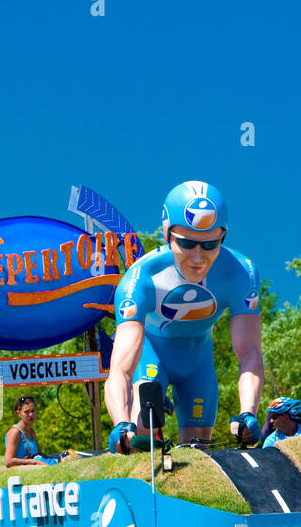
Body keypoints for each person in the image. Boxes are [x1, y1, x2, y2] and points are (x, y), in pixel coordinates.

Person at [105, 181, 265, 453]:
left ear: (223, 237)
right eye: (187, 243)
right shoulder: (140, 278)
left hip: (198, 362)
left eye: (211, 244)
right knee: (140, 439)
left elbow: (250, 351)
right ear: (168, 234)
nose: (199, 257)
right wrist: (120, 422)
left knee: (197, 452)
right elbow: (120, 368)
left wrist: (248, 412)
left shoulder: (241, 271)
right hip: (152, 356)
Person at [4, 397, 74, 467]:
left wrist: (59, 457)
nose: (31, 414)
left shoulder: (31, 431)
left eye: (33, 411)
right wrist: (34, 462)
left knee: (71, 455)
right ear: (18, 413)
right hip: (34, 467)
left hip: (44, 462)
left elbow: (39, 454)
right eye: (26, 412)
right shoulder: (14, 432)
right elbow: (9, 461)